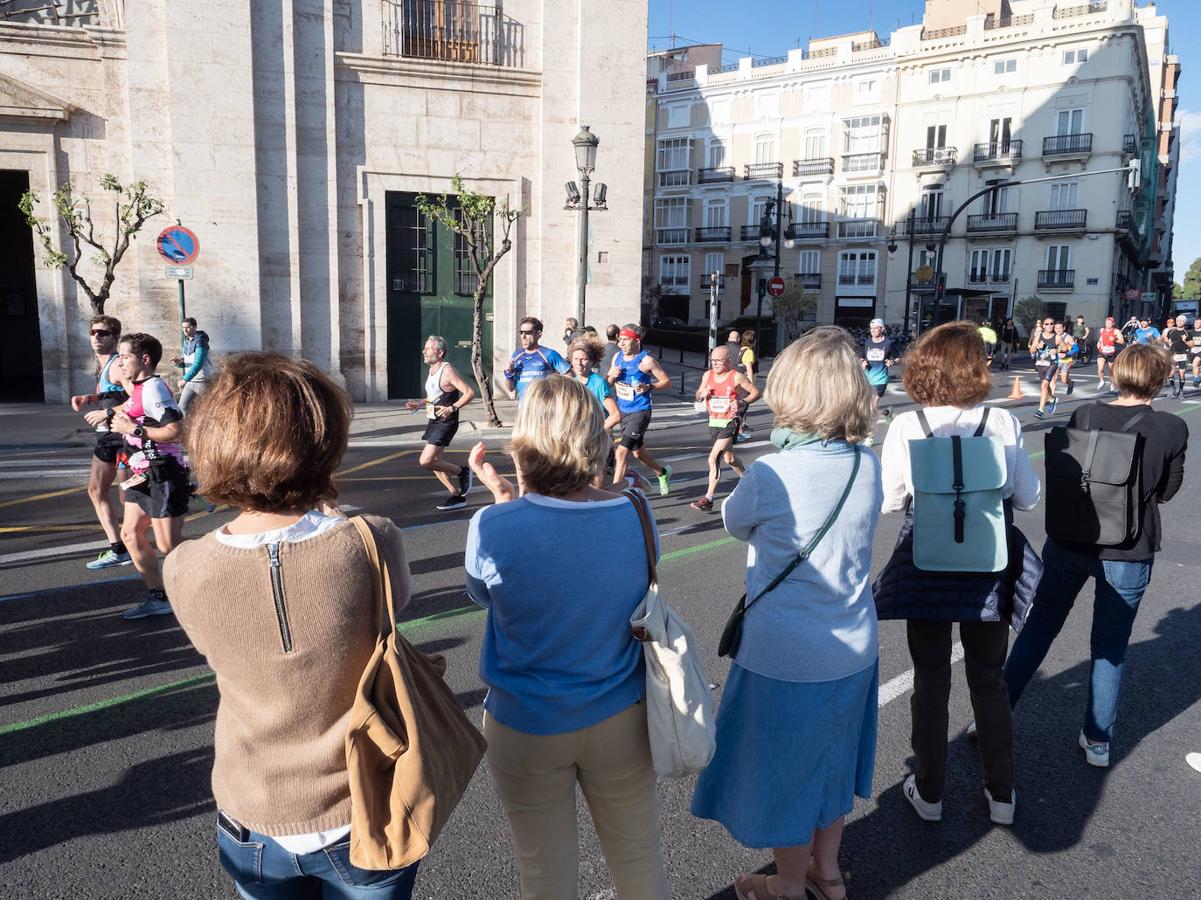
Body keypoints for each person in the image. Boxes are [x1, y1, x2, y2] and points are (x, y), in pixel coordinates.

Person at [163, 352, 422, 899]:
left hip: (253, 810)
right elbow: (391, 609)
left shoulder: (184, 566)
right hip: (363, 805)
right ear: (324, 442)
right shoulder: (371, 539)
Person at [691, 327, 882, 900]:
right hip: (853, 645)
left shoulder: (774, 471)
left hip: (783, 653)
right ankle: (829, 872)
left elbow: (735, 519)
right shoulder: (864, 463)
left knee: (783, 773)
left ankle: (789, 884)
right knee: (831, 765)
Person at [464, 376, 669, 900]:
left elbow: (486, 597)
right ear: (595, 439)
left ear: (525, 442)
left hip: (525, 722)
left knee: (544, 872)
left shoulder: (492, 524)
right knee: (638, 855)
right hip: (621, 713)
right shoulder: (637, 512)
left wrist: (508, 498)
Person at [874, 321, 1041, 827]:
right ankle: (1001, 794)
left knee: (930, 679)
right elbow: (1027, 497)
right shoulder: (1002, 422)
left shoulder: (908, 424)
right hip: (988, 562)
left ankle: (929, 792)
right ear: (976, 367)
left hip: (927, 558)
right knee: (989, 680)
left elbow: (891, 500)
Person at [1004, 344, 1188, 768]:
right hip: (1128, 547)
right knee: (1110, 645)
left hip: (1070, 538)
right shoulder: (1171, 428)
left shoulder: (1085, 414)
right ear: (1158, 380)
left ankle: (998, 711)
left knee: (1040, 627)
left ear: (1118, 373)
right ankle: (1097, 738)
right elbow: (1166, 491)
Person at [102, 333, 191, 620]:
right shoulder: (139, 388)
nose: (120, 361)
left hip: (163, 472)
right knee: (129, 534)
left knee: (168, 544)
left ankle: (210, 581)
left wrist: (134, 429)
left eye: (125, 356)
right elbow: (128, 407)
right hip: (142, 475)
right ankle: (159, 597)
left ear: (145, 359)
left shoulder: (154, 389)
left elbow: (176, 430)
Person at [73, 315, 132, 570]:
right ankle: (118, 548)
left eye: (104, 333)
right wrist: (90, 398)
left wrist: (106, 412)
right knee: (96, 490)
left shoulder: (117, 365)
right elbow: (114, 393)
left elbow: (138, 398)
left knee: (127, 494)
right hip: (106, 436)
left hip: (124, 435)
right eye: (94, 332)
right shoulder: (103, 365)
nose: (97, 337)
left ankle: (133, 543)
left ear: (116, 338)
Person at [405, 335, 475, 510]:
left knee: (426, 461)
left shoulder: (447, 370)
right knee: (436, 461)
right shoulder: (432, 370)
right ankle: (456, 495)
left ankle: (463, 472)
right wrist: (419, 404)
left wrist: (452, 408)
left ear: (440, 352)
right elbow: (434, 396)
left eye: (428, 349)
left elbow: (469, 393)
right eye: (425, 348)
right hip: (434, 420)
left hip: (446, 421)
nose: (424, 351)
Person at [690, 345, 760, 512]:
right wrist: (702, 395)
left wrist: (742, 402)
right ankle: (749, 482)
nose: (715, 364)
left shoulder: (737, 377)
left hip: (730, 422)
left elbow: (756, 392)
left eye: (719, 361)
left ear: (728, 361)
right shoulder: (708, 375)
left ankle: (708, 498)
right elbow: (697, 395)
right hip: (714, 422)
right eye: (713, 360)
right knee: (730, 459)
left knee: (713, 459)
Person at [607, 324, 673, 495]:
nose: (621, 343)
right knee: (638, 453)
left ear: (636, 341)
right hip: (622, 411)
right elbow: (608, 383)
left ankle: (614, 495)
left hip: (640, 411)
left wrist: (649, 386)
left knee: (621, 453)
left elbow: (667, 382)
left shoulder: (646, 361)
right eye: (620, 339)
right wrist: (611, 376)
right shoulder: (617, 357)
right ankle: (662, 472)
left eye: (625, 340)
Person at [505, 317, 570, 400]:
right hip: (523, 410)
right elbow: (510, 388)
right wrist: (508, 374)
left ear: (539, 334)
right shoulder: (516, 356)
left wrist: (555, 387)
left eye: (528, 333)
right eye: (521, 332)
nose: (523, 336)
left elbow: (570, 375)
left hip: (544, 409)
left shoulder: (549, 354)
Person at [172, 317, 217, 413]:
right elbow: (187, 363)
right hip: (191, 382)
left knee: (210, 409)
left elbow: (198, 364)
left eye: (188, 327)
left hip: (203, 381)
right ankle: (186, 428)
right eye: (183, 328)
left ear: (195, 327)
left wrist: (184, 379)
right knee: (182, 407)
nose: (185, 330)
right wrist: (179, 363)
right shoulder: (186, 342)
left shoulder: (200, 341)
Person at [1029, 316, 1061, 418]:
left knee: (1044, 385)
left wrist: (1057, 350)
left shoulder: (1057, 337)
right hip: (1041, 364)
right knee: (1045, 386)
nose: (1049, 325)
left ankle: (1040, 410)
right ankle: (1052, 399)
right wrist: (1037, 346)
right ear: (1043, 326)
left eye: (1051, 324)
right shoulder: (1039, 336)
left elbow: (1066, 348)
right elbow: (1032, 350)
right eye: (1047, 324)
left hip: (1052, 364)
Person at [1163, 315, 1192, 398]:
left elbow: (1192, 344)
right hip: (1172, 354)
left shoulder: (1187, 332)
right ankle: (1173, 387)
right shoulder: (1171, 331)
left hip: (1183, 354)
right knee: (1170, 373)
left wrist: (1185, 340)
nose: (1179, 322)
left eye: (1181, 321)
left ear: (1184, 322)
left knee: (1181, 374)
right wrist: (1168, 343)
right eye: (1178, 320)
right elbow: (1166, 339)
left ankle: (1181, 390)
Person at [1095, 316, 1125, 388]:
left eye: (1109, 323)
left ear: (1113, 323)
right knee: (1100, 368)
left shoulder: (1116, 331)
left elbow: (1122, 342)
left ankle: (1112, 383)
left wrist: (1114, 340)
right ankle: (1102, 381)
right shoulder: (1102, 330)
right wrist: (1098, 343)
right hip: (1102, 352)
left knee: (1111, 370)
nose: (1107, 325)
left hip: (1111, 353)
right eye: (1106, 323)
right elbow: (1101, 338)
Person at [1055, 321, 1078, 396]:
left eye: (1060, 328)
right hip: (1056, 360)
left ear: (1064, 328)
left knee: (1064, 380)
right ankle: (1051, 398)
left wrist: (1066, 354)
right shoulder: (1054, 336)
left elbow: (1076, 349)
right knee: (1053, 379)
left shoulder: (1068, 337)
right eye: (1056, 328)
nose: (1058, 330)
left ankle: (1070, 384)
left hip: (1066, 360)